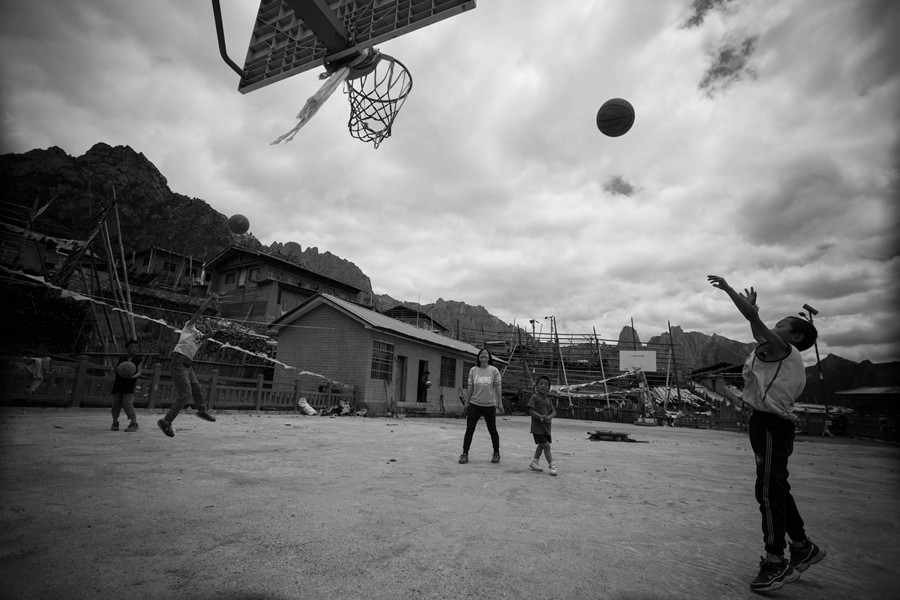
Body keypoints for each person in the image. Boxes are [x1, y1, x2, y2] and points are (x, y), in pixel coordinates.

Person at [708, 275, 826, 593]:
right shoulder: (777, 353)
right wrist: (754, 314)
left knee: (768, 491)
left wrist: (729, 290)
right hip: (765, 424)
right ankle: (801, 545)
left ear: (796, 336)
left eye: (780, 325)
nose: (774, 328)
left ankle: (776, 561)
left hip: (772, 425)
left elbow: (753, 321)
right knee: (777, 487)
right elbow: (756, 326)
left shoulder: (785, 350)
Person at [157, 295, 218, 437]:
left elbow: (211, 334)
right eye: (198, 322)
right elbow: (199, 311)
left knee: (196, 388)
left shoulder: (199, 337)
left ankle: (202, 411)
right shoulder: (188, 327)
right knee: (185, 394)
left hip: (188, 365)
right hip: (179, 361)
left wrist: (207, 324)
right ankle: (166, 421)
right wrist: (210, 300)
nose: (199, 323)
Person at [459, 348, 503, 464]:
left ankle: (496, 453)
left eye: (486, 354)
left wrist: (500, 402)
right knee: (469, 429)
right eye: (481, 354)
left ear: (489, 357)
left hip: (489, 405)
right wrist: (466, 402)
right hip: (475, 404)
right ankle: (464, 454)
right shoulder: (473, 370)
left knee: (492, 430)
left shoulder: (494, 370)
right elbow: (470, 387)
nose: (483, 355)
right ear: (478, 357)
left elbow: (498, 387)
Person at [527, 375, 558, 475]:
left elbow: (554, 412)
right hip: (537, 428)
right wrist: (540, 417)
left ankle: (534, 462)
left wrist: (549, 417)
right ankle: (552, 465)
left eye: (546, 385)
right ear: (536, 386)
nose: (543, 386)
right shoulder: (534, 397)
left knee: (541, 445)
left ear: (549, 388)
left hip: (546, 428)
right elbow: (531, 410)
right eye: (541, 384)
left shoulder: (548, 399)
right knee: (546, 446)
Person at [111, 339, 144, 432]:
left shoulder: (139, 360)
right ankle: (115, 422)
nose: (134, 349)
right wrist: (114, 369)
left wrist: (132, 376)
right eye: (132, 347)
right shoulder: (122, 359)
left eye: (136, 347)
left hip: (129, 384)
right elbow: (117, 368)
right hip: (118, 383)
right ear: (127, 349)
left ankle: (134, 423)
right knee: (115, 404)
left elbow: (139, 372)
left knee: (127, 404)